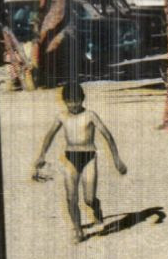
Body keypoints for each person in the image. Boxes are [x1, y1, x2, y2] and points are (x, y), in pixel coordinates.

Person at [33, 82, 127, 242]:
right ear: (64, 101)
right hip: (70, 159)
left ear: (82, 99)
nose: (73, 105)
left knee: (89, 198)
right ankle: (77, 229)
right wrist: (41, 155)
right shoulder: (62, 117)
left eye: (76, 101)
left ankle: (96, 207)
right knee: (71, 197)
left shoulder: (90, 115)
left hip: (89, 158)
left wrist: (117, 159)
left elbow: (108, 136)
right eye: (69, 101)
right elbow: (49, 136)